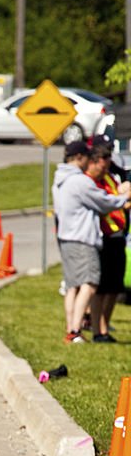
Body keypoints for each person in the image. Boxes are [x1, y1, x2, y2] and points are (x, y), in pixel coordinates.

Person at [52, 141, 130, 344]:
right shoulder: (79, 181)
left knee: (72, 287)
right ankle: (76, 330)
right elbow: (104, 202)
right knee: (90, 284)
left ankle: (71, 329)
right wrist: (124, 197)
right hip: (82, 238)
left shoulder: (60, 179)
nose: (88, 162)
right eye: (87, 157)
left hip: (66, 237)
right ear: (79, 157)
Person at [88, 144, 130, 342]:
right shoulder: (92, 183)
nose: (106, 169)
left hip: (118, 236)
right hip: (103, 237)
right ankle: (98, 329)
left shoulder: (111, 179)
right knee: (102, 287)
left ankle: (105, 325)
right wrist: (123, 197)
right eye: (103, 166)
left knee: (114, 287)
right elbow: (105, 204)